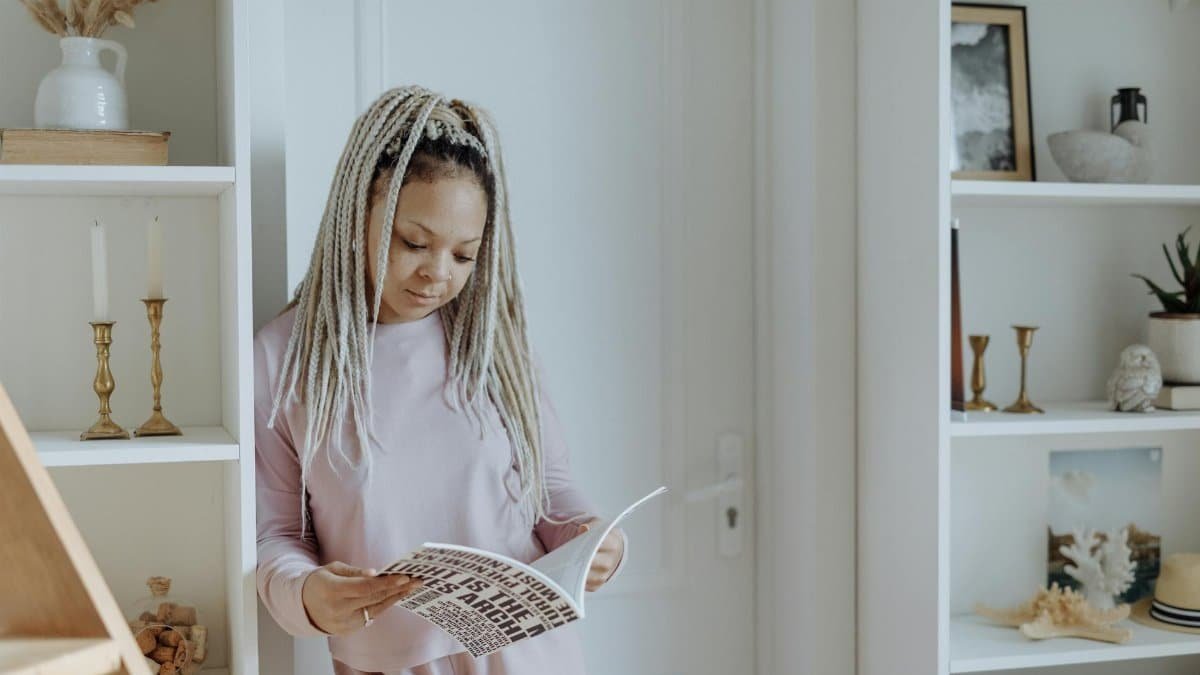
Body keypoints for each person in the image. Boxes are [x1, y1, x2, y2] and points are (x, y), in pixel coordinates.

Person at [254, 85, 626, 675]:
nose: (436, 274)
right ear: (357, 215)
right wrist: (307, 596)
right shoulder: (284, 359)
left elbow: (551, 493)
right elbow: (274, 536)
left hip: (530, 658)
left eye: (464, 255)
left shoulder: (493, 347)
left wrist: (595, 542)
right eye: (414, 243)